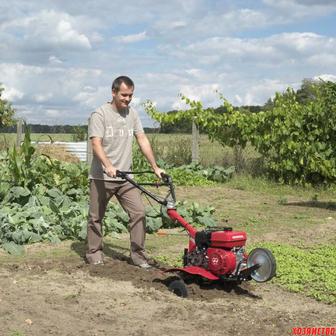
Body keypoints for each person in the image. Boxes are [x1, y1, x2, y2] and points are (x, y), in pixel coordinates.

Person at [86, 75, 164, 268]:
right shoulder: (100, 114)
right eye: (124, 95)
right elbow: (96, 144)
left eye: (130, 95)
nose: (127, 99)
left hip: (125, 177)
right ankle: (94, 253)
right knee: (96, 217)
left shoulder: (133, 114)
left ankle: (138, 255)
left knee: (138, 213)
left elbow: (142, 139)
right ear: (113, 92)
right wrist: (107, 165)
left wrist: (155, 167)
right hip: (101, 177)